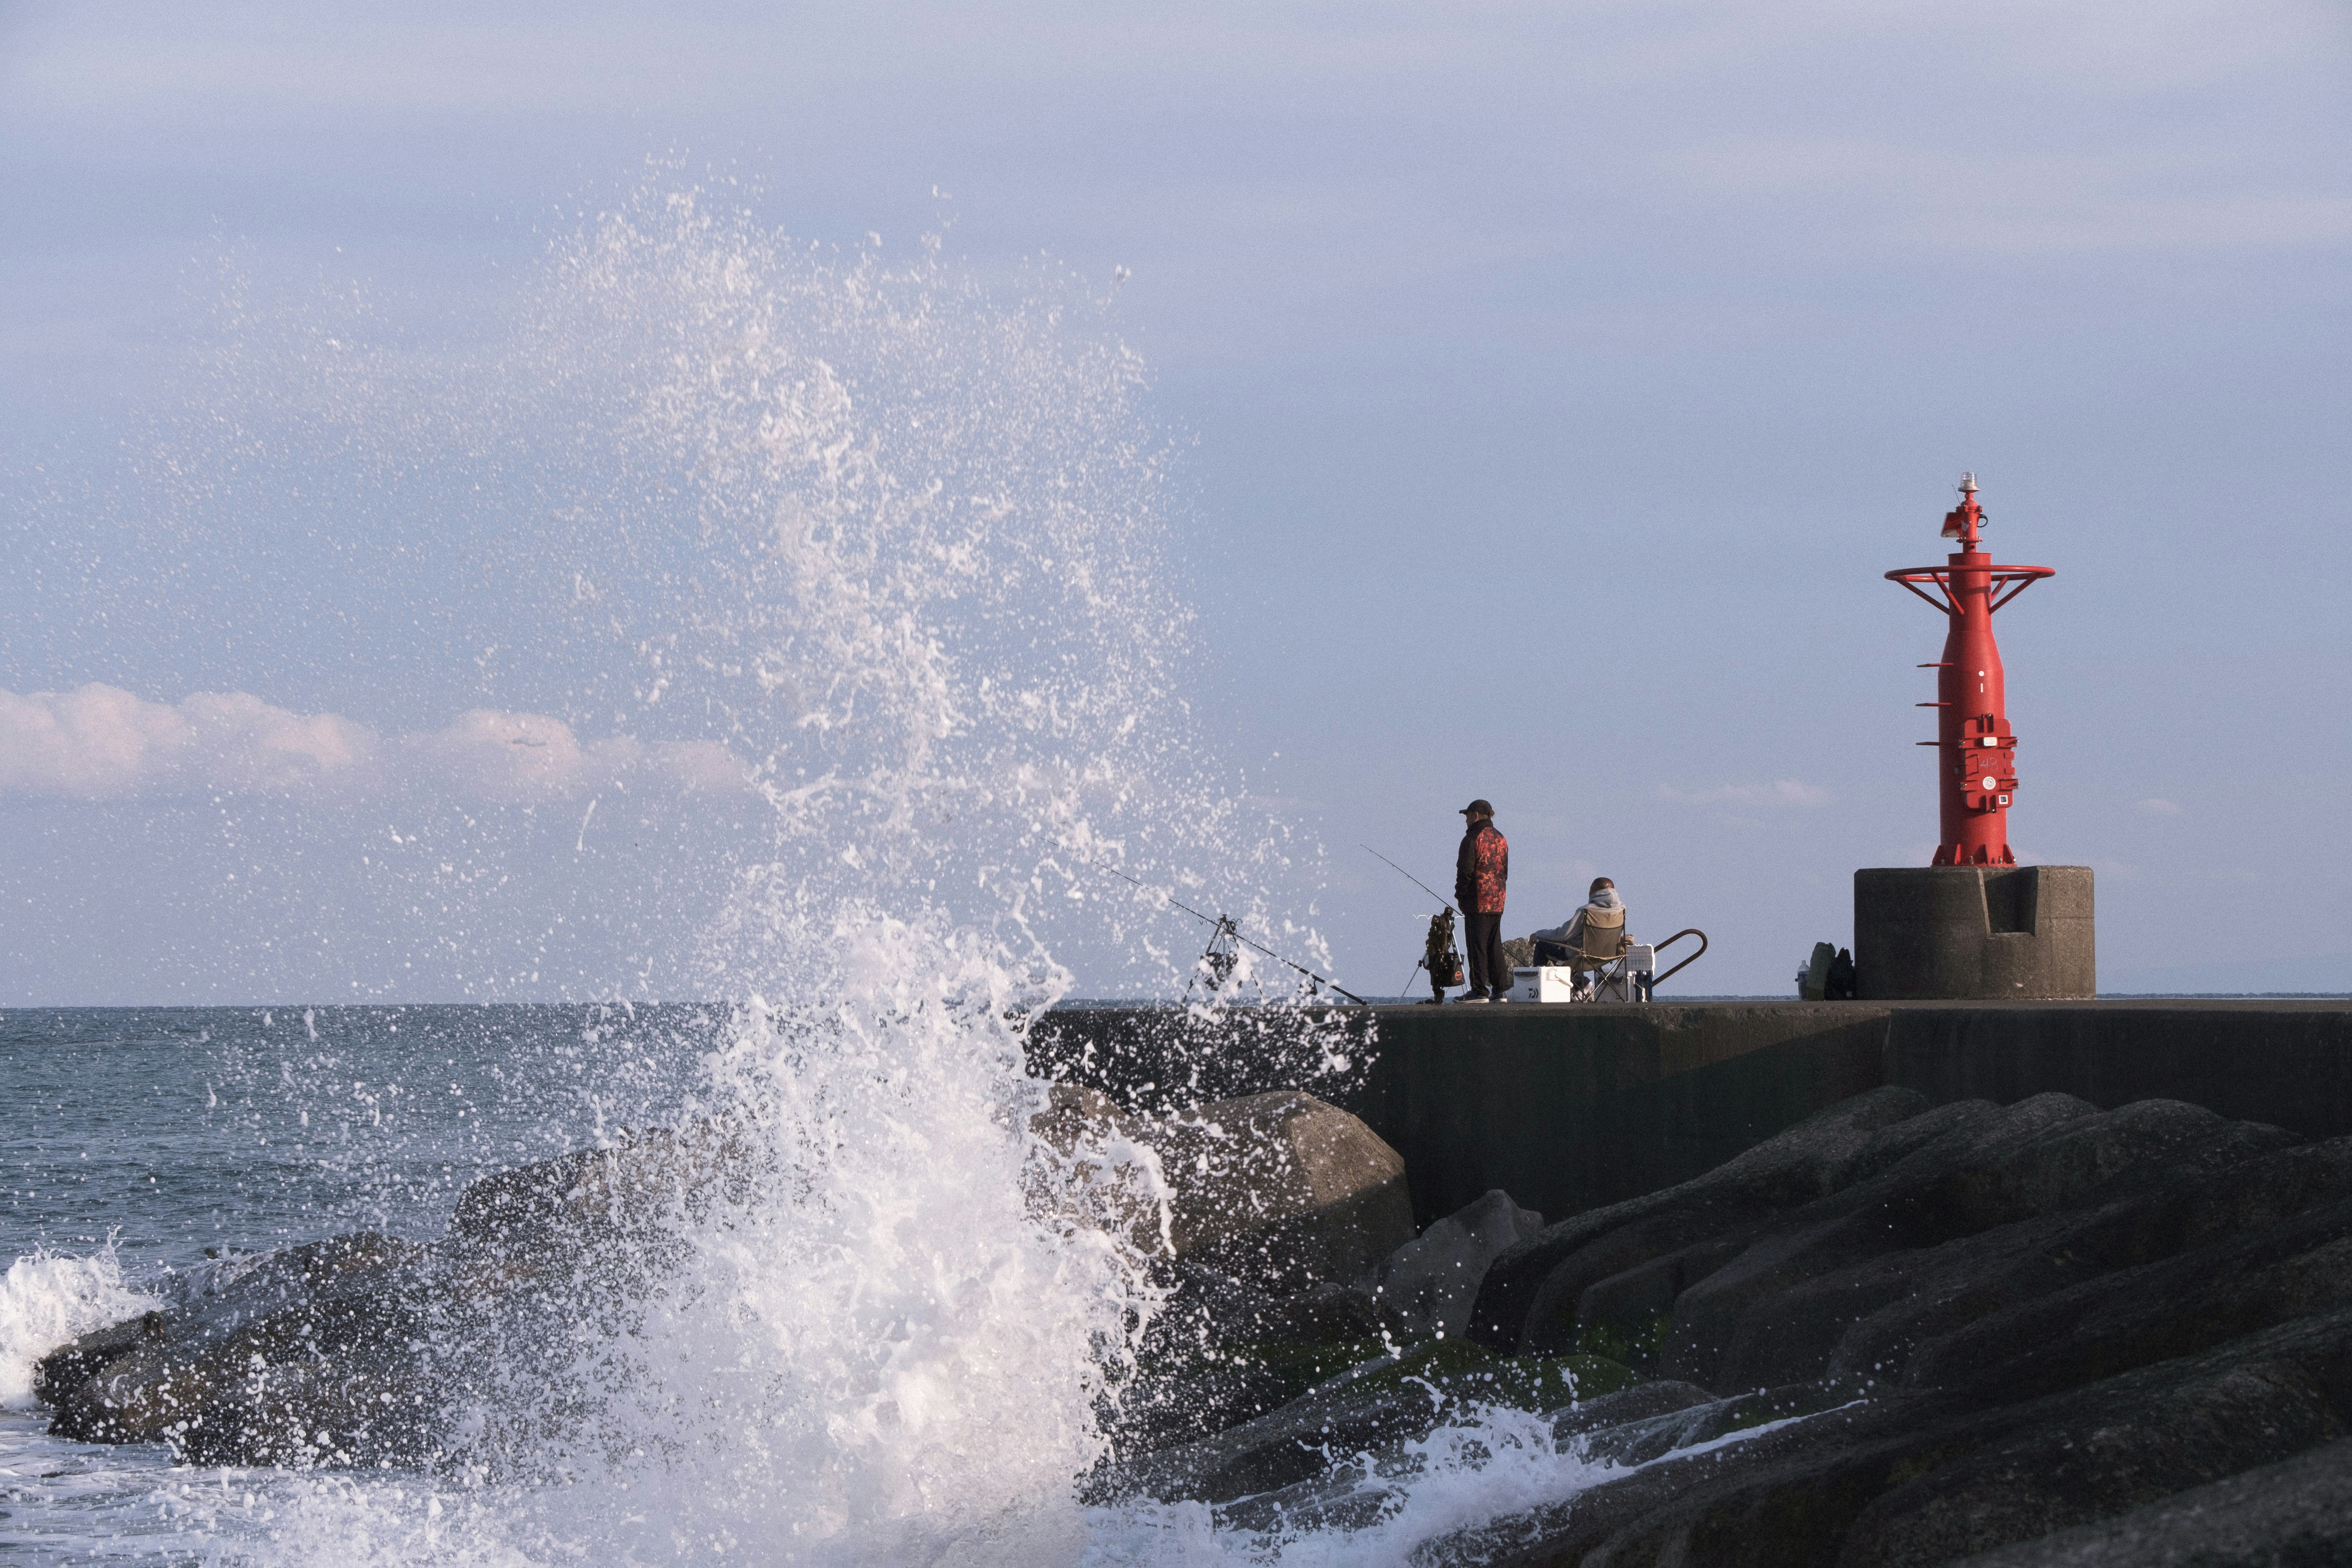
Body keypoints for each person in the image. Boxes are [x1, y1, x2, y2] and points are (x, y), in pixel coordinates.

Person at [1452, 799, 1509, 1002]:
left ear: (1476, 816)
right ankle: (1500, 990)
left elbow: (1465, 872)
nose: (1466, 820)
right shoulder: (1501, 839)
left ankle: (1479, 990)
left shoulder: (1472, 839)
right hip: (1498, 900)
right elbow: (1505, 872)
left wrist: (1461, 896)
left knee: (1477, 945)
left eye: (1467, 816)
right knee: (1494, 945)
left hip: (1477, 900)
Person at [1533, 879, 1631, 993]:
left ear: (1594, 892)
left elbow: (1563, 935)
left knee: (1542, 945)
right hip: (1608, 956)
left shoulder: (1586, 911)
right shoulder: (1621, 910)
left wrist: (1538, 934)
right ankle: (1581, 983)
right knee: (1576, 946)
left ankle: (1538, 989)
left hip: (1583, 957)